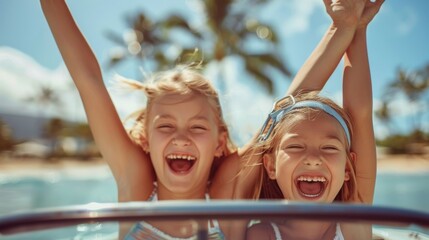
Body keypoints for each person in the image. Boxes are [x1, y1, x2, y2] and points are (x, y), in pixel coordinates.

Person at [40, 1, 240, 239]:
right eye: (165, 126)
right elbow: (88, 79)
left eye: (197, 127)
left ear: (219, 143)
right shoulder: (137, 188)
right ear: (146, 138)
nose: (181, 138)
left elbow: (279, 122)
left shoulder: (226, 197)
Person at [245, 0, 384, 239]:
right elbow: (281, 115)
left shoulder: (353, 224)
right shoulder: (263, 234)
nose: (312, 159)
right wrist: (343, 28)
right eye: (295, 146)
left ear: (348, 168)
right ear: (271, 166)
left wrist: (358, 28)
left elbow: (360, 115)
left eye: (329, 148)